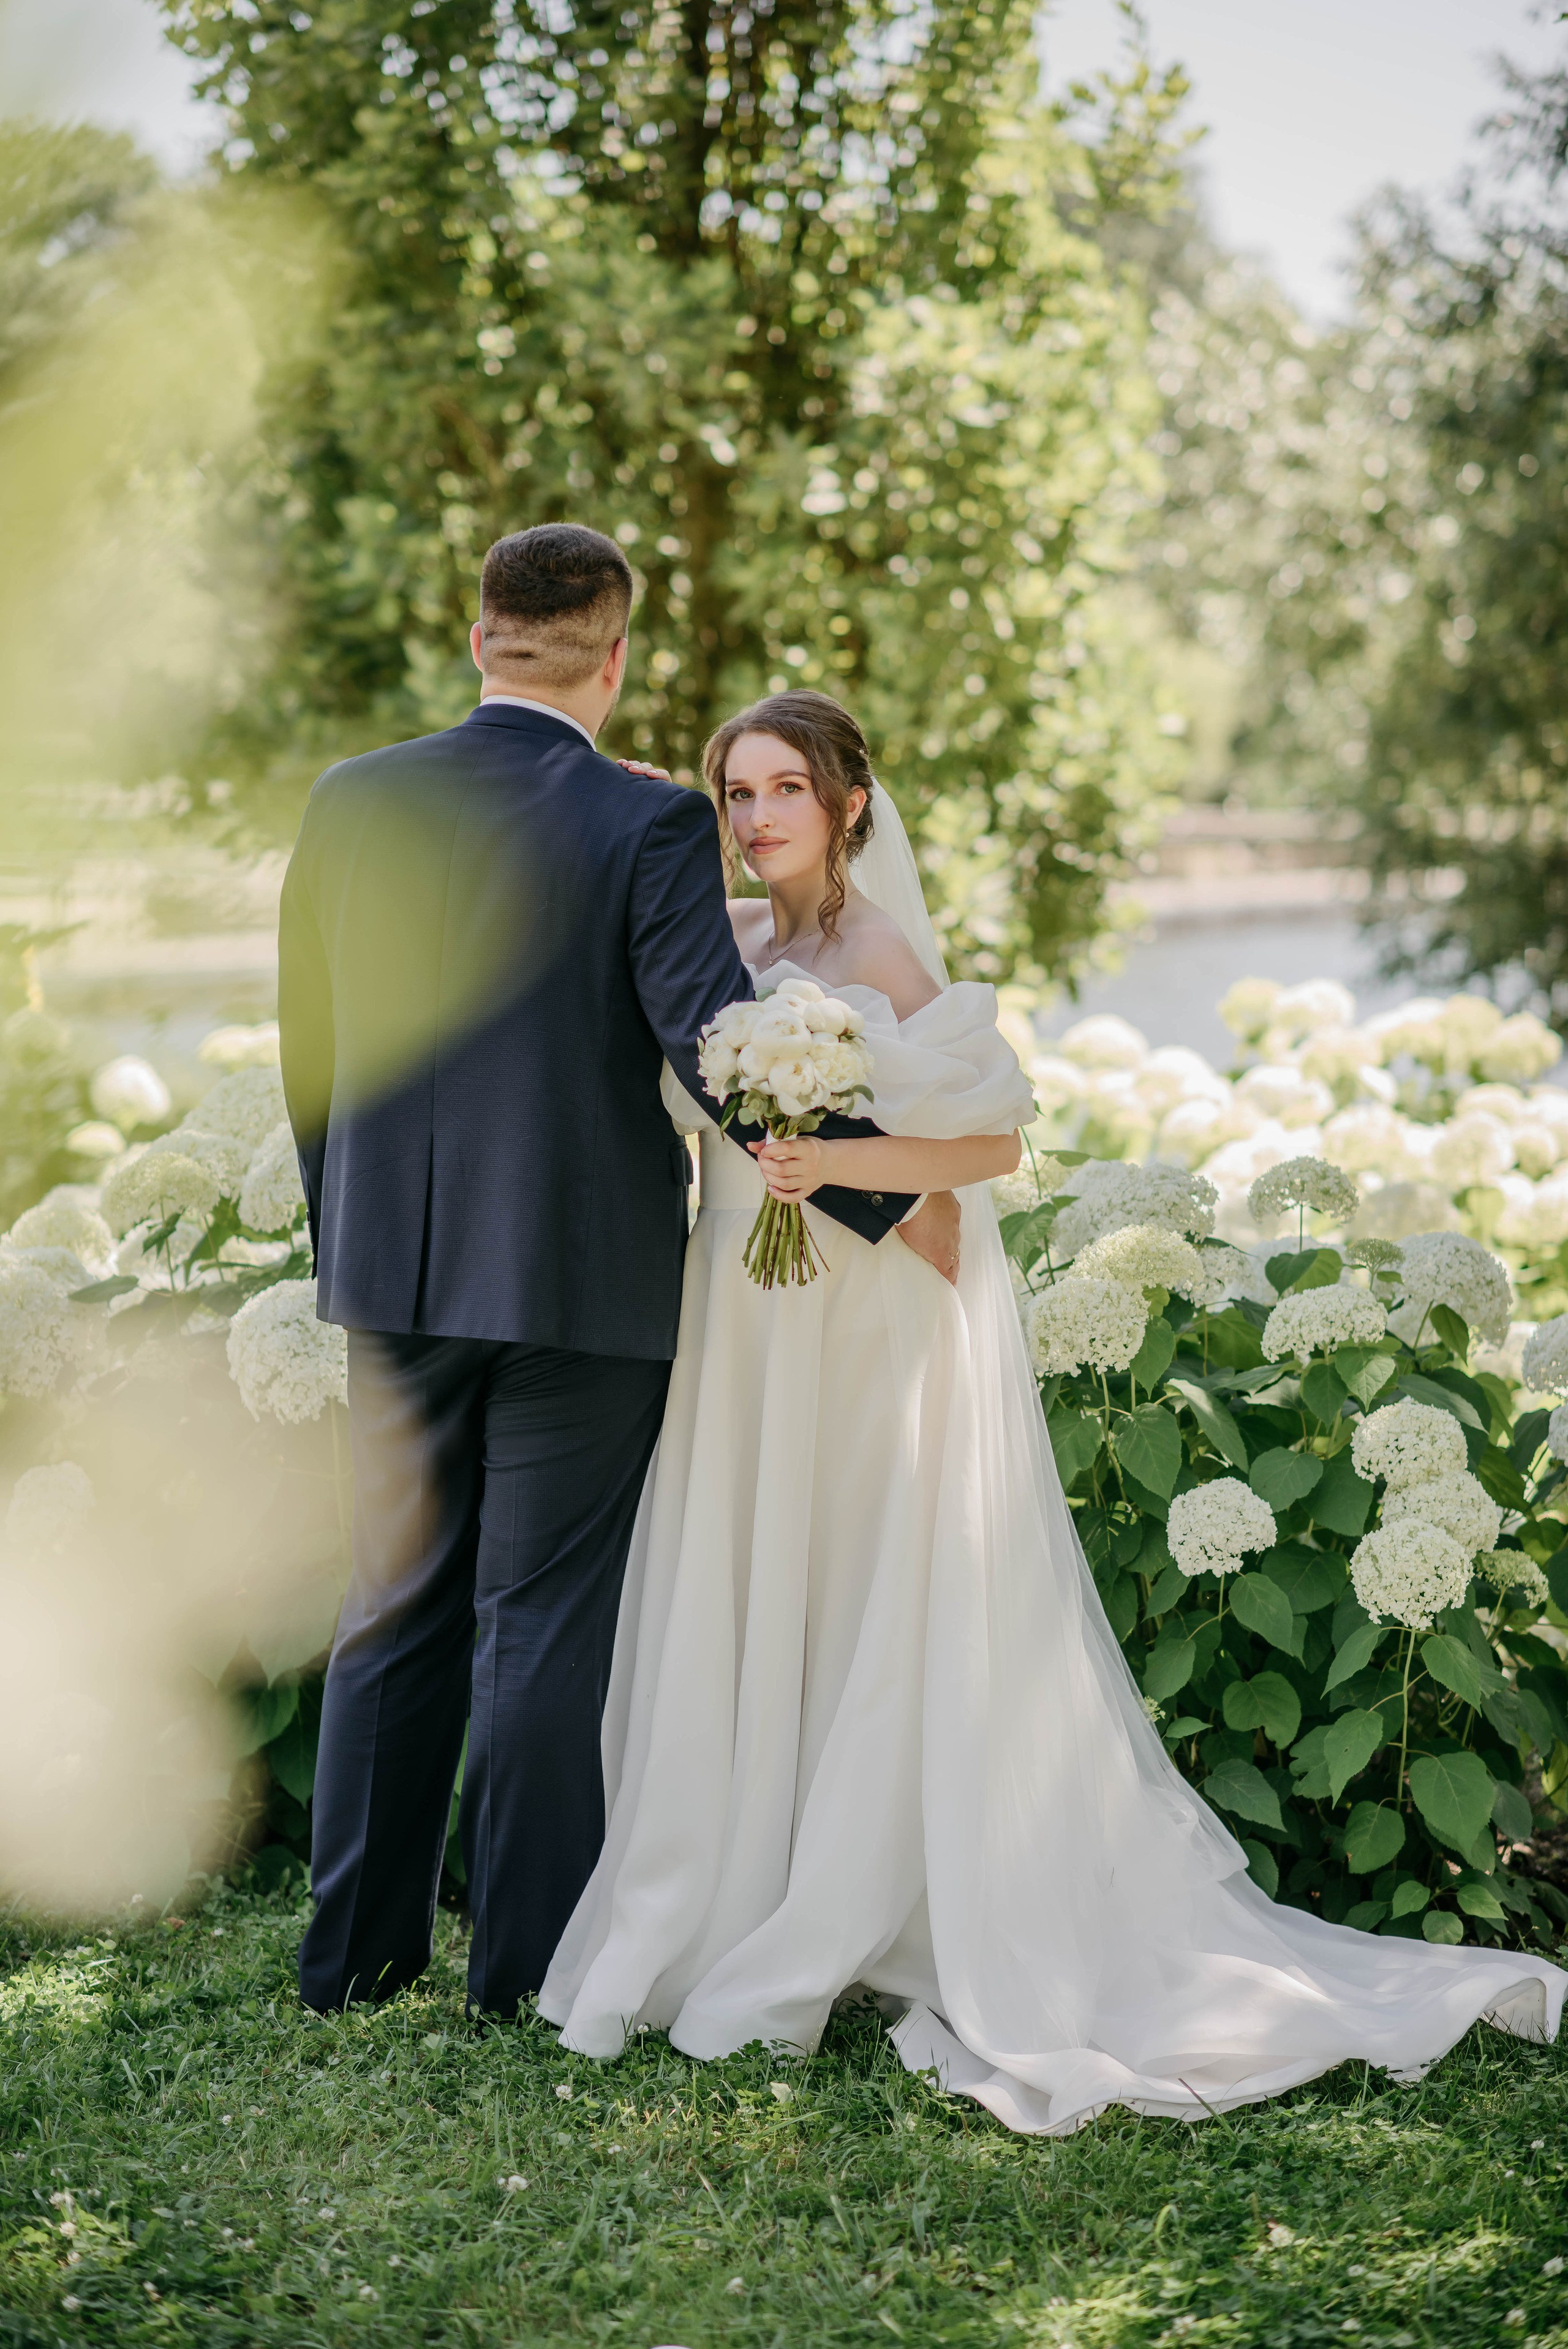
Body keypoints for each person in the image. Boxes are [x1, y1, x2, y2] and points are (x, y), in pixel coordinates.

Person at [540, 688, 1566, 2135]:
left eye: (783, 789)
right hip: (747, 1302)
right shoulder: (736, 940)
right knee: (764, 1574)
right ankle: (736, 1884)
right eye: (734, 792)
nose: (755, 817)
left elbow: (988, 1141)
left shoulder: (881, 952)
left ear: (847, 803)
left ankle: (861, 1891)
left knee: (869, 1579)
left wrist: (831, 1163)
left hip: (856, 1309)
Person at [277, 527, 957, 2018]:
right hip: (582, 1286)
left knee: (391, 1602)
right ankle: (517, 1969)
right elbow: (720, 1051)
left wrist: (355, 1246)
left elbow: (309, 1052)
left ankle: (353, 1963)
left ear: (480, 640)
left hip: (394, 1274)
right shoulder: (644, 823)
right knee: (540, 1620)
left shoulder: (348, 800)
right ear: (616, 656)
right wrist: (894, 1204)